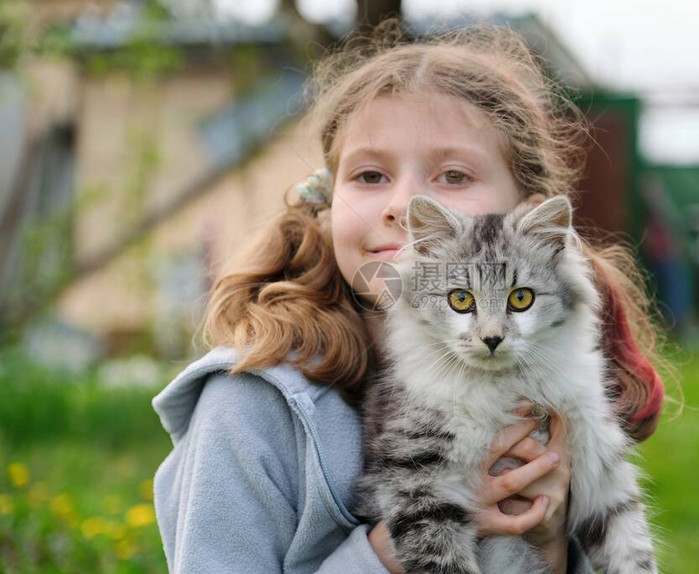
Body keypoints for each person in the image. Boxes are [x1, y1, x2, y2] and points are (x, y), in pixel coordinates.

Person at [151, 19, 665, 574]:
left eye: (452, 175)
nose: (404, 203)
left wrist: (549, 547)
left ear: (528, 217)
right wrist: (387, 555)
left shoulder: (551, 372)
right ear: (326, 203)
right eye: (370, 176)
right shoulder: (248, 405)